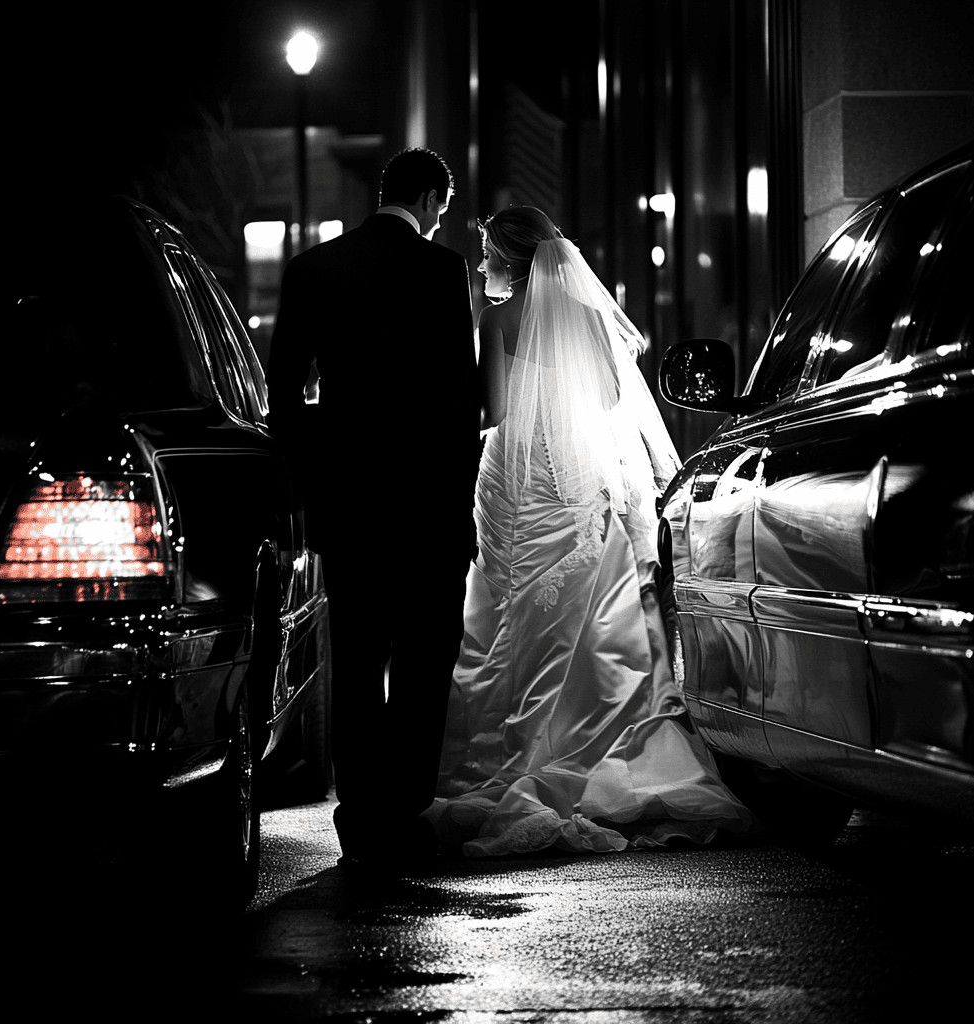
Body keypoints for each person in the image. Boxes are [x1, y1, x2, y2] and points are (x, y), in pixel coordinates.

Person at [424, 206, 755, 856]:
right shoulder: (589, 316)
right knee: (594, 619)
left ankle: (508, 763)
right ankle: (595, 752)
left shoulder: (496, 318)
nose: (483, 263)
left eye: (489, 253)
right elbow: (607, 398)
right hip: (577, 477)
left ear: (512, 260)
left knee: (503, 616)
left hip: (517, 476)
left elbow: (492, 410)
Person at [266, 147, 479, 871]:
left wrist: (316, 480)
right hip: (429, 508)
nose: (439, 221)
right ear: (425, 198)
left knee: (356, 664)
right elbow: (461, 400)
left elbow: (283, 397)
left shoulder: (315, 270)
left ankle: (359, 817)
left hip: (350, 507)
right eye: (441, 210)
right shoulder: (444, 273)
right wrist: (461, 502)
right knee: (424, 664)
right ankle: (404, 809)